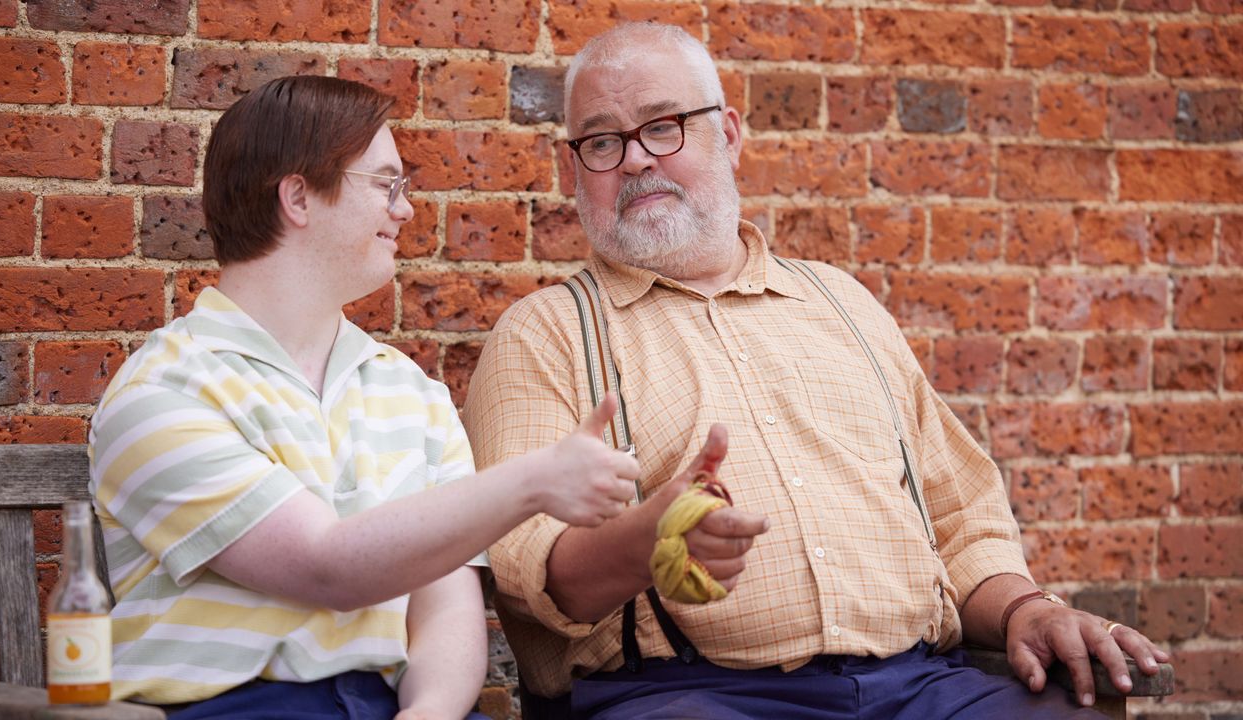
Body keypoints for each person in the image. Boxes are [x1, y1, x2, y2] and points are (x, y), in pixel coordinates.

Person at [463, 23, 1171, 719]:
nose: (638, 158)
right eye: (603, 140)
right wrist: (644, 543)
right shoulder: (545, 334)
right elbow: (525, 575)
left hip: (924, 688)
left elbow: (962, 519)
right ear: (574, 167)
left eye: (664, 125)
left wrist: (1026, 607)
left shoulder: (845, 305)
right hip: (684, 698)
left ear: (730, 134)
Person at [87, 75, 639, 720]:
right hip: (235, 708)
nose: (404, 209)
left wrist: (427, 714)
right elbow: (327, 566)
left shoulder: (410, 392)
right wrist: (532, 483)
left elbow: (446, 609)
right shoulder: (162, 391)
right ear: (297, 195)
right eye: (385, 184)